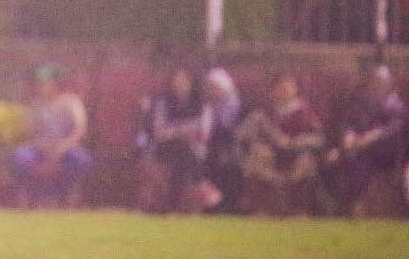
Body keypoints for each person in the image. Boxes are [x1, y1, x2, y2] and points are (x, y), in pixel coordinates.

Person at [234, 72, 325, 217]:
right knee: (257, 156)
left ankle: (298, 210)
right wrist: (258, 142)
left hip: (296, 154)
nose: (285, 91)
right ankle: (263, 209)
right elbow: (242, 135)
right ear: (272, 91)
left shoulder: (305, 112)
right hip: (270, 155)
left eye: (289, 87)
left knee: (306, 162)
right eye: (281, 88)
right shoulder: (263, 113)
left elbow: (318, 138)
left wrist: (295, 143)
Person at [323, 64, 405, 215]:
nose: (376, 84)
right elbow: (347, 122)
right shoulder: (358, 101)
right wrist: (347, 134)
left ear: (388, 83)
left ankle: (355, 203)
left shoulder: (395, 104)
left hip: (384, 153)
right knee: (330, 159)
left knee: (357, 158)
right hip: (355, 146)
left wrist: (374, 135)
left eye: (381, 81)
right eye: (374, 80)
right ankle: (332, 206)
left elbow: (395, 128)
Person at [8, 63, 93, 207]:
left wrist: (63, 147)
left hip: (66, 147)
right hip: (40, 147)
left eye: (45, 82)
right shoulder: (35, 104)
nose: (40, 86)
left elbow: (80, 129)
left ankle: (69, 196)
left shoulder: (71, 102)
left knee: (80, 159)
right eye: (38, 83)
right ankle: (29, 197)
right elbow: (29, 132)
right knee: (20, 157)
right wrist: (42, 146)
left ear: (56, 83)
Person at [137, 68, 216, 213]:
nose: (180, 83)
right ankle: (202, 183)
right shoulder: (163, 103)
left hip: (194, 148)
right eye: (177, 79)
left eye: (184, 80)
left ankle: (171, 203)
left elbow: (204, 132)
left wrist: (175, 130)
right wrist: (184, 130)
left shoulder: (203, 104)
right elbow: (159, 132)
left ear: (192, 82)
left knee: (183, 154)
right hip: (165, 148)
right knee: (182, 150)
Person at [201, 67, 243, 212]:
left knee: (226, 164)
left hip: (232, 145)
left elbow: (231, 128)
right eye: (210, 87)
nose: (213, 91)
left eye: (216, 87)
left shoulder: (236, 104)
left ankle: (228, 204)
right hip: (212, 145)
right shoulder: (208, 105)